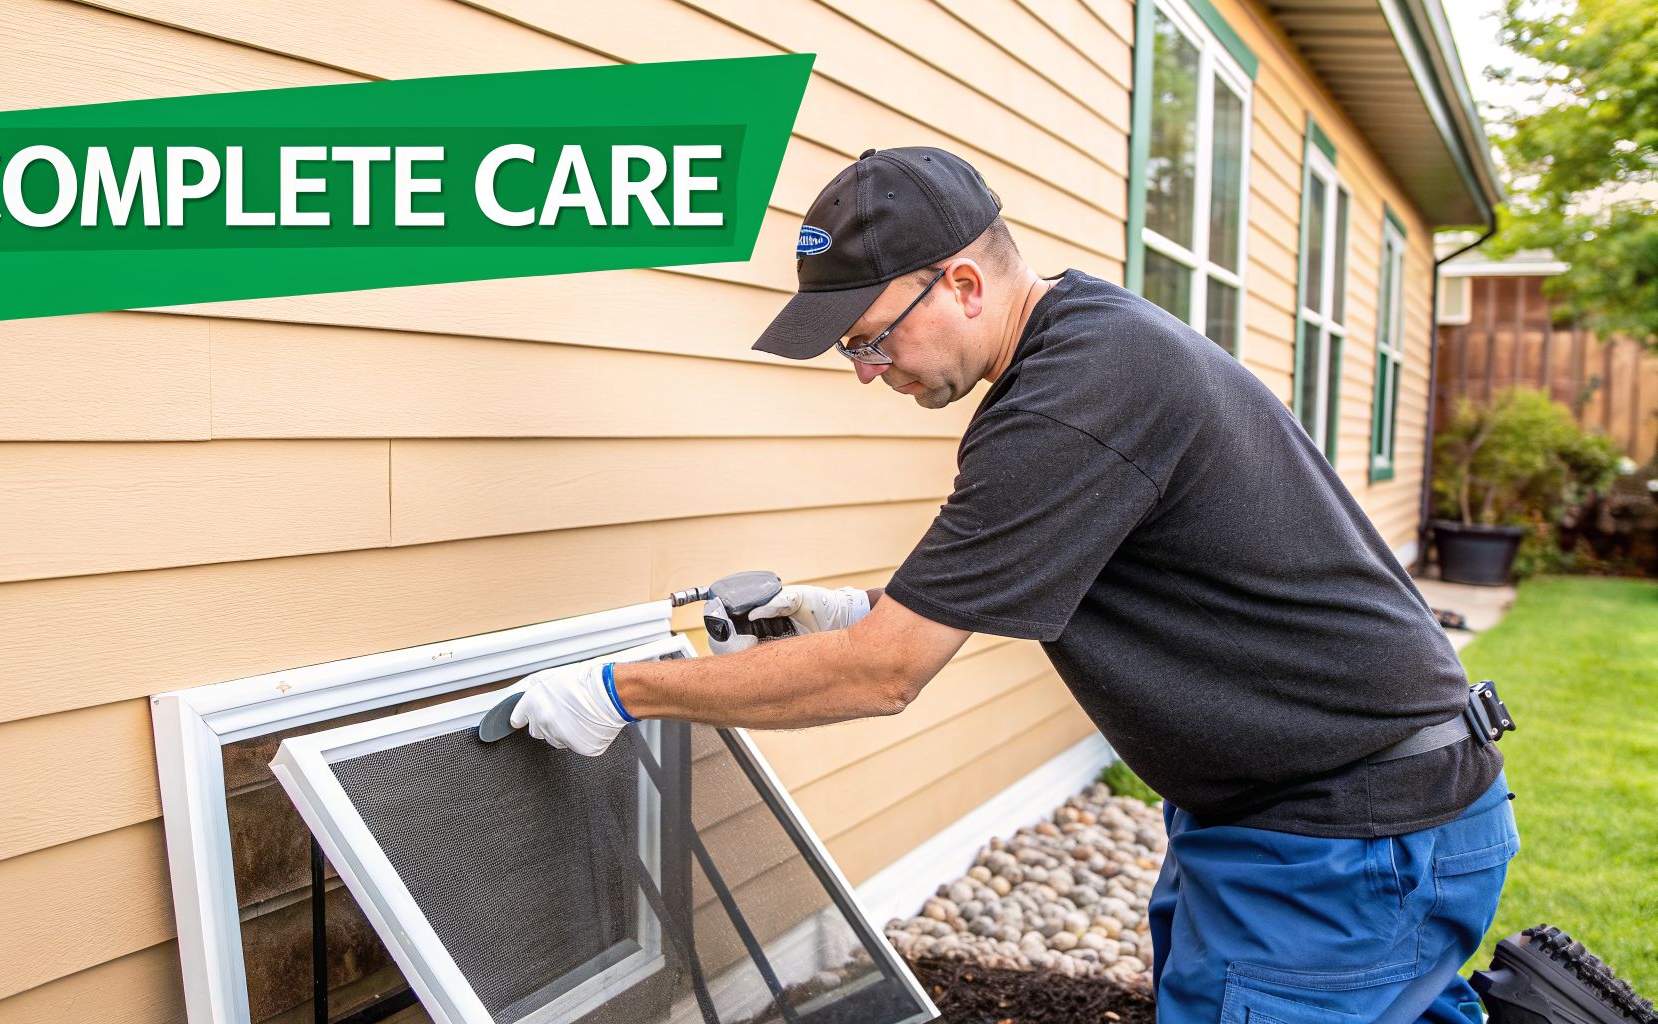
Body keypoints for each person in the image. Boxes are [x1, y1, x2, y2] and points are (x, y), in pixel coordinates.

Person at [504, 146, 1515, 1022]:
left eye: (868, 334)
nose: (863, 368)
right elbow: (993, 587)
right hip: (1312, 816)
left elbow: (883, 676)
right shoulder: (1085, 348)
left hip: (1344, 842)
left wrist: (617, 692)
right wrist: (853, 611)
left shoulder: (1068, 401)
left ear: (961, 285)